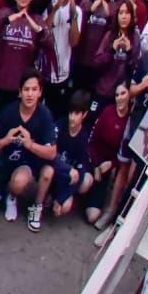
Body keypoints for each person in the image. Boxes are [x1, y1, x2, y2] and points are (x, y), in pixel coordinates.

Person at [0, 73, 58, 232]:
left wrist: (30, 145)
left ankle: (12, 196)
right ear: (19, 92)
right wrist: (5, 140)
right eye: (26, 89)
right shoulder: (8, 112)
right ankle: (2, 190)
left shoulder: (45, 115)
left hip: (26, 165)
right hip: (4, 164)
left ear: (40, 92)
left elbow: (52, 153)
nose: (30, 94)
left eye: (34, 89)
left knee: (19, 181)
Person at [85, 81, 133, 230]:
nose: (119, 98)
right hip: (93, 160)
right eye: (117, 94)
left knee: (92, 216)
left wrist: (111, 164)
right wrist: (96, 166)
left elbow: (125, 157)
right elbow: (91, 142)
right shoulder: (107, 112)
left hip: (108, 165)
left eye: (123, 93)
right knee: (84, 183)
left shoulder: (131, 119)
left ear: (130, 95)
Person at [51, 90, 94, 219]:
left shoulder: (83, 138)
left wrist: (61, 198)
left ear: (84, 114)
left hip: (68, 179)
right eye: (71, 112)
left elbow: (80, 173)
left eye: (76, 113)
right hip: (54, 171)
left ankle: (64, 199)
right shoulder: (59, 126)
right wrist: (66, 168)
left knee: (86, 180)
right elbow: (49, 155)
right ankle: (48, 195)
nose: (72, 117)